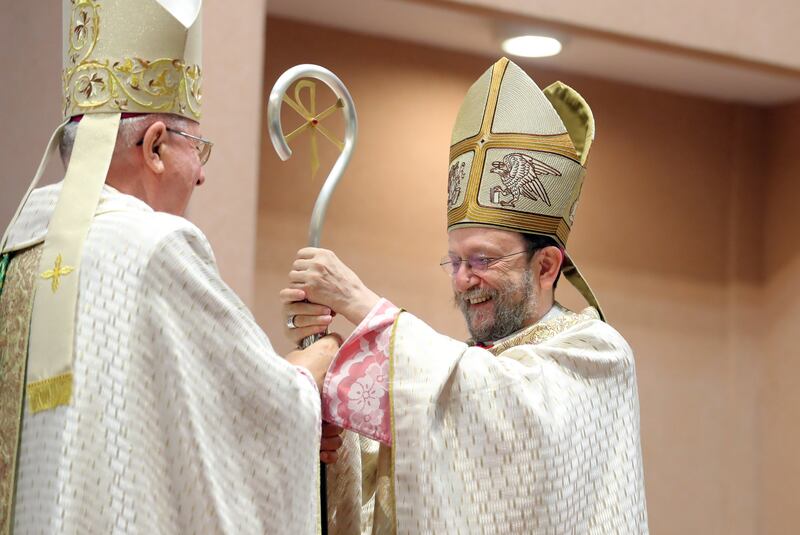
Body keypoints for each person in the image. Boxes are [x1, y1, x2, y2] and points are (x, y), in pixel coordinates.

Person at [0, 1, 340, 533]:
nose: (201, 175)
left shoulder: (17, 249)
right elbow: (263, 410)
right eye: (197, 148)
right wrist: (316, 361)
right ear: (155, 146)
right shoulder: (155, 247)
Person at [283, 58, 649, 533]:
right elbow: (410, 467)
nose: (462, 281)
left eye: (482, 261)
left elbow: (498, 410)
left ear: (546, 265)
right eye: (455, 262)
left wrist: (356, 303)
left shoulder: (597, 353)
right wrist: (336, 436)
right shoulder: (470, 367)